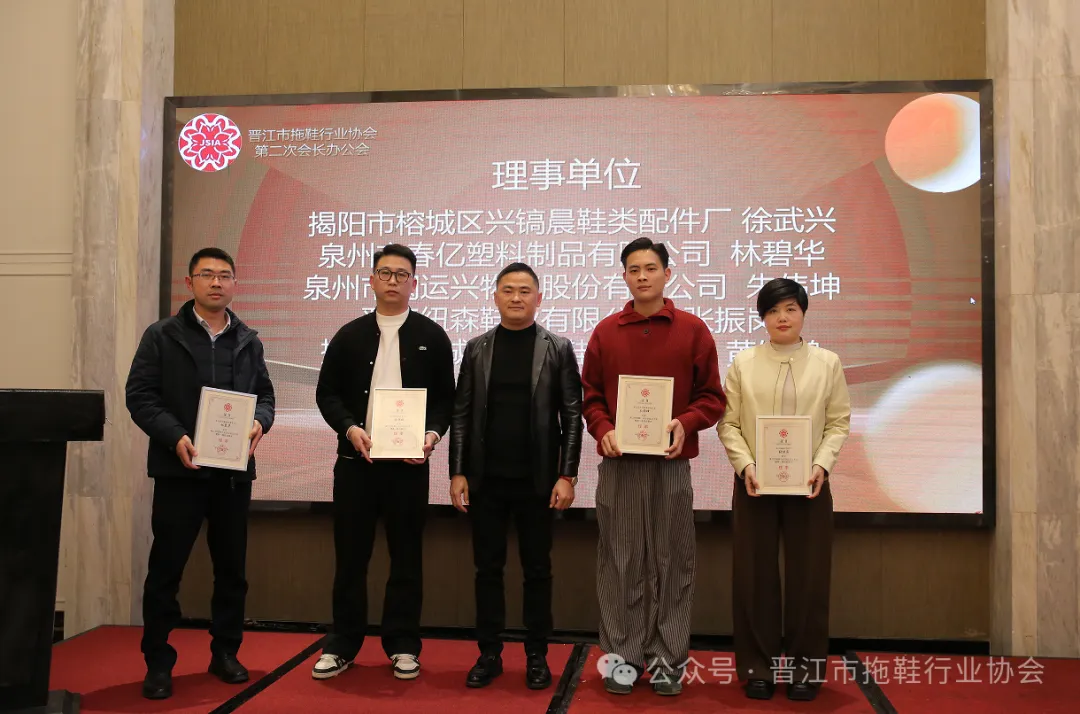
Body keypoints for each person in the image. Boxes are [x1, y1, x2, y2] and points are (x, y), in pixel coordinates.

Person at [125, 247, 275, 700]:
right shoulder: (162, 336)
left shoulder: (248, 339)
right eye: (207, 274)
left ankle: (225, 652)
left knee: (231, 571)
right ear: (189, 283)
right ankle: (158, 661)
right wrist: (175, 437)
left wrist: (259, 422)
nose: (216, 282)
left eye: (224, 275)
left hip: (231, 476)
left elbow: (265, 396)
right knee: (166, 570)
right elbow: (140, 395)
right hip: (179, 471)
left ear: (235, 284)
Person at [581, 237, 726, 697]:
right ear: (624, 275)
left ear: (667, 273)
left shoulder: (693, 330)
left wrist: (687, 422)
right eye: (633, 269)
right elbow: (590, 397)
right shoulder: (606, 332)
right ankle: (623, 660)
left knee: (673, 560)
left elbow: (712, 397)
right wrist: (603, 427)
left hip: (670, 465)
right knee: (620, 561)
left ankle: (668, 661)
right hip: (620, 465)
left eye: (650, 268)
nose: (642, 276)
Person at [311, 243, 455, 681]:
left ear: (415, 283)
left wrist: (432, 435)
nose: (393, 281)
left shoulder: (433, 336)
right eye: (385, 273)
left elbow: (446, 400)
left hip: (408, 467)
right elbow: (327, 393)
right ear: (372, 280)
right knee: (350, 558)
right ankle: (342, 644)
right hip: (356, 464)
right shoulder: (349, 335)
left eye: (402, 274)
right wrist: (349, 428)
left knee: (406, 557)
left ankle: (403, 644)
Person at [448, 262, 583, 690]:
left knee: (537, 571)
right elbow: (461, 414)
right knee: (487, 570)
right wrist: (457, 471)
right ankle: (488, 654)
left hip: (538, 482)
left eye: (525, 291)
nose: (516, 297)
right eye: (508, 290)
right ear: (495, 297)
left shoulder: (557, 348)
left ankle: (537, 655)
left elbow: (572, 416)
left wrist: (567, 475)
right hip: (486, 480)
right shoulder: (477, 348)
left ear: (538, 299)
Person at [718, 278, 851, 702]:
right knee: (753, 577)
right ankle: (757, 669)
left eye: (791, 309)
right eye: (773, 310)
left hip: (810, 484)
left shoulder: (827, 363)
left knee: (809, 579)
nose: (782, 318)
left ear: (803, 313)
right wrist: (746, 465)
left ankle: (804, 671)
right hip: (754, 484)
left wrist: (821, 464)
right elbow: (729, 424)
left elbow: (838, 422)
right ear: (762, 317)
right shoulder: (744, 363)